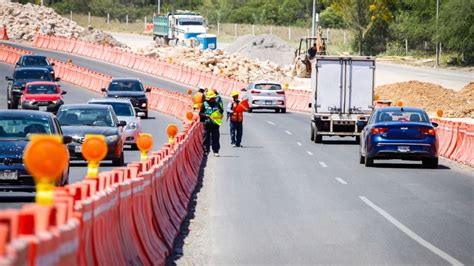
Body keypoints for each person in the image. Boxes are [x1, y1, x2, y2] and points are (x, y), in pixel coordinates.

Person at [200, 90, 224, 157]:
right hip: (207, 124)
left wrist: (219, 112)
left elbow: (222, 111)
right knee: (206, 138)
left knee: (215, 138)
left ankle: (216, 151)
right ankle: (205, 151)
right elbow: (200, 113)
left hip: (215, 124)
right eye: (211, 98)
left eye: (213, 98)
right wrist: (205, 115)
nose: (213, 99)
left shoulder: (217, 103)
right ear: (208, 98)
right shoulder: (204, 104)